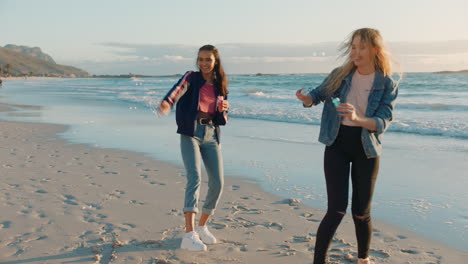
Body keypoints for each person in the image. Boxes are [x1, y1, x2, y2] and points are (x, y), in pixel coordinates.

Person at [296, 28, 399, 264]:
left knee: (361, 213)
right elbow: (317, 95)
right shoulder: (339, 75)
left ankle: (363, 259)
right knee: (336, 210)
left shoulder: (387, 83)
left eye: (361, 47)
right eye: (353, 47)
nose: (356, 52)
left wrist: (358, 119)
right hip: (337, 144)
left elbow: (383, 121)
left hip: (367, 149)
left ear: (375, 49)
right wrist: (306, 99)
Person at [158, 44, 229, 251]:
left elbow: (222, 118)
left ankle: (202, 226)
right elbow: (175, 91)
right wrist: (166, 104)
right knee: (195, 177)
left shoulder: (220, 84)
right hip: (191, 132)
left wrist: (224, 110)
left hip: (211, 135)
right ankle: (189, 234)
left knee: (218, 182)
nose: (204, 63)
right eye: (201, 59)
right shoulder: (191, 77)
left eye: (208, 60)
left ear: (216, 61)